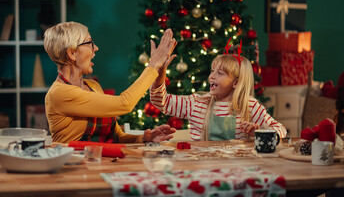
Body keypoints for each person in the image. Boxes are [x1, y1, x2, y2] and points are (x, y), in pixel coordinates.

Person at [44, 21, 177, 144]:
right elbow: (124, 104)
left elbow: (116, 136)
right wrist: (153, 65)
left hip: (102, 164)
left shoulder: (93, 86)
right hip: (75, 166)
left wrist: (143, 138)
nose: (95, 48)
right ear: (72, 53)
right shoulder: (59, 93)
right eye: (89, 43)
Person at [150, 47, 287, 141]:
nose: (212, 77)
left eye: (219, 73)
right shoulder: (197, 103)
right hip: (201, 167)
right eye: (212, 71)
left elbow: (280, 129)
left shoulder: (249, 106)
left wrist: (259, 133)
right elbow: (162, 101)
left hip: (237, 170)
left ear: (235, 83)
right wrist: (159, 75)